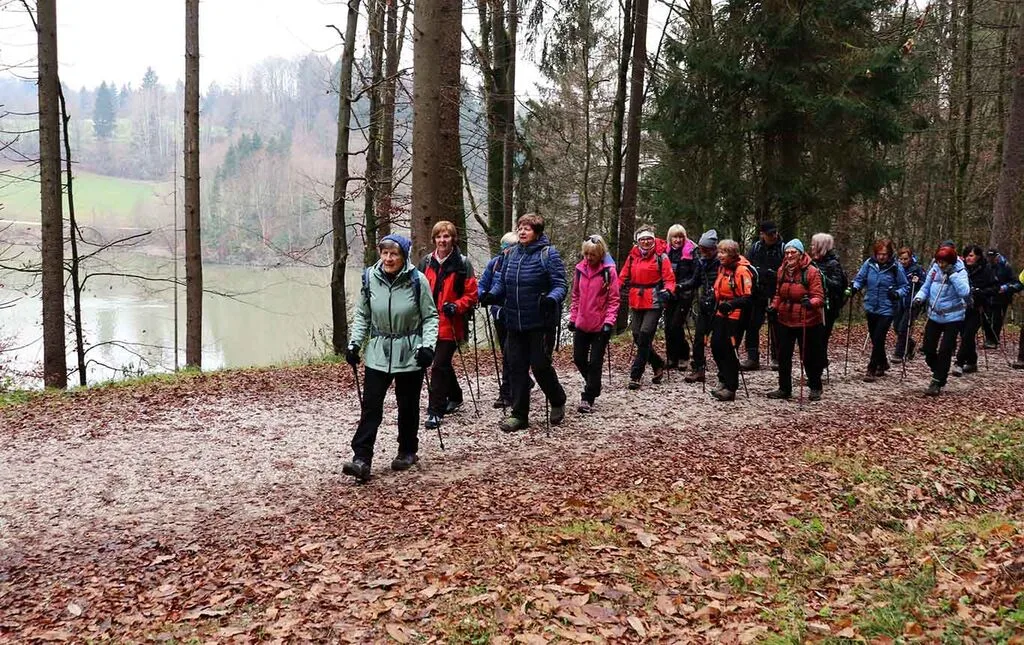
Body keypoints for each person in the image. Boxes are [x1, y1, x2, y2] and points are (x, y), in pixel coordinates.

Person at [342, 234, 439, 481]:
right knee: (371, 406)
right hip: (378, 351)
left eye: (394, 254)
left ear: (403, 256)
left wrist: (428, 347)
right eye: (384, 253)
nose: (388, 258)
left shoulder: (417, 280)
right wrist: (354, 344)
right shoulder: (370, 278)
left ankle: (407, 450)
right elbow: (363, 315)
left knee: (408, 405)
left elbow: (430, 317)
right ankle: (361, 458)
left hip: (410, 351)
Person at [480, 213, 568, 432]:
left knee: (540, 366)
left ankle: (557, 399)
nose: (522, 231)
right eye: (520, 228)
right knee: (516, 366)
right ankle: (519, 415)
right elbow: (502, 283)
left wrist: (551, 299)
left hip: (539, 322)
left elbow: (560, 284)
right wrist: (491, 295)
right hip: (514, 321)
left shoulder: (548, 254)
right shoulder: (511, 254)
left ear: (536, 232)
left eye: (527, 228)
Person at [417, 221, 478, 430]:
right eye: (439, 236)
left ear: (453, 239)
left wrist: (457, 306)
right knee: (441, 363)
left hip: (451, 322)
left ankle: (435, 410)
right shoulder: (426, 262)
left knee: (439, 365)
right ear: (434, 239)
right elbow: (416, 289)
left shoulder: (462, 264)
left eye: (446, 236)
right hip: (428, 321)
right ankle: (455, 395)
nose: (442, 240)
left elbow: (472, 294)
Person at [767, 239, 826, 401]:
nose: (789, 255)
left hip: (808, 320)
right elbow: (778, 294)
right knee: (783, 356)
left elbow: (819, 297)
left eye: (793, 252)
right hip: (785, 318)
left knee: (809, 357)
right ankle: (784, 388)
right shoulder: (782, 270)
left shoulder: (812, 271)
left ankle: (815, 387)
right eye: (787, 252)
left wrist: (810, 303)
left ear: (800, 254)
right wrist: (773, 306)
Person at [568, 234, 621, 412]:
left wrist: (609, 322)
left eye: (593, 255)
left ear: (600, 255)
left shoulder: (609, 272)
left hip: (600, 325)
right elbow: (575, 296)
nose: (589, 258)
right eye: (586, 254)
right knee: (579, 359)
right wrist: (573, 318)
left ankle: (588, 397)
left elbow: (614, 299)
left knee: (596, 362)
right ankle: (595, 384)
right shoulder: (579, 269)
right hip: (582, 323)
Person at [845, 239, 909, 382]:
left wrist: (896, 294)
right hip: (871, 306)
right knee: (875, 338)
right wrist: (854, 288)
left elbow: (905, 286)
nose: (881, 257)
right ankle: (883, 362)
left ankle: (871, 368)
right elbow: (860, 279)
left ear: (889, 254)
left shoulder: (895, 267)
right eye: (879, 254)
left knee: (879, 337)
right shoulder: (869, 264)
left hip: (887, 308)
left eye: (884, 254)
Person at [620, 228, 676, 389]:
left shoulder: (661, 256)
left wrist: (668, 291)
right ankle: (657, 362)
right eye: (642, 239)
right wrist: (614, 289)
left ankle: (636, 375)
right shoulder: (632, 256)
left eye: (648, 239)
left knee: (645, 333)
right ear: (638, 241)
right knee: (637, 334)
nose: (645, 242)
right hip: (636, 299)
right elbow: (623, 276)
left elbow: (669, 278)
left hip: (654, 299)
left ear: (653, 240)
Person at [912, 244, 971, 396]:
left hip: (953, 317)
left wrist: (952, 275)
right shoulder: (934, 269)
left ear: (950, 261)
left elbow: (965, 291)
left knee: (945, 350)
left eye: (943, 262)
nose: (940, 264)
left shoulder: (960, 271)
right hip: (934, 315)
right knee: (928, 348)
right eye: (938, 261)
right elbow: (926, 287)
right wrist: (918, 298)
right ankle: (939, 370)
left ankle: (937, 381)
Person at [477, 232, 518, 408]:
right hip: (499, 314)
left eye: (511, 247)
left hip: (515, 314)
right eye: (505, 247)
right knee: (506, 353)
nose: (507, 250)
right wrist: (483, 295)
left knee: (510, 354)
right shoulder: (495, 264)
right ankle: (520, 383)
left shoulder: (518, 265)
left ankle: (507, 392)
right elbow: (482, 284)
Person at [710, 239, 754, 401]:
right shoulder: (722, 268)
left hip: (737, 315)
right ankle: (723, 378)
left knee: (729, 350)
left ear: (733, 254)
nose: (720, 255)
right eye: (719, 252)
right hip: (721, 311)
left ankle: (730, 387)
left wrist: (731, 304)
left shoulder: (742, 271)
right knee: (716, 345)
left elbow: (748, 299)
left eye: (724, 253)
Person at [742, 221, 784, 371]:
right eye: (770, 234)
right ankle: (752, 357)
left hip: (776, 291)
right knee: (752, 324)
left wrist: (774, 274)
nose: (773, 236)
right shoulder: (755, 248)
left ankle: (777, 357)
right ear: (762, 234)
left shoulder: (783, 248)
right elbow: (747, 266)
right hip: (757, 291)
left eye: (775, 232)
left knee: (776, 325)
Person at [952, 245, 1000, 377]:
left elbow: (995, 287)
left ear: (978, 256)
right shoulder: (961, 269)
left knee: (968, 334)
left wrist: (981, 292)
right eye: (966, 256)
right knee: (965, 335)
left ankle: (959, 363)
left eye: (971, 255)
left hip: (979, 308)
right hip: (962, 307)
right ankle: (972, 361)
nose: (968, 258)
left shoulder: (986, 269)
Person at [680, 229, 720, 384]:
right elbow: (695, 281)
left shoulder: (722, 262)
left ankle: (725, 370)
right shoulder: (701, 262)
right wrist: (679, 287)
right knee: (698, 339)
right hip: (705, 305)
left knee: (719, 341)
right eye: (702, 249)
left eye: (707, 249)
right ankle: (698, 368)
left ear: (714, 248)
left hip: (720, 307)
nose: (704, 252)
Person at [665, 224, 697, 370]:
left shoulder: (691, 251)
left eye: (680, 237)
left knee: (676, 325)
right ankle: (672, 357)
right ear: (670, 238)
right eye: (675, 237)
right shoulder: (665, 252)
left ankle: (683, 355)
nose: (678, 240)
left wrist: (682, 286)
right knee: (668, 326)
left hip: (685, 294)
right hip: (669, 293)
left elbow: (695, 276)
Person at [809, 233, 847, 354]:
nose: (811, 247)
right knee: (814, 338)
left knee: (822, 338)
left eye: (814, 245)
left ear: (821, 246)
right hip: (813, 305)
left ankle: (821, 360)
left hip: (828, 307)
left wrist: (821, 277)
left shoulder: (833, 264)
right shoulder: (812, 262)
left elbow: (837, 285)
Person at [892, 246, 925, 363]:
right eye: (901, 259)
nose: (903, 261)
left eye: (905, 259)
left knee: (904, 327)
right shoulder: (896, 268)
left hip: (912, 302)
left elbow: (925, 285)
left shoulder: (917, 269)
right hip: (899, 301)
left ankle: (899, 353)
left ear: (910, 258)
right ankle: (910, 344)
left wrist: (918, 281)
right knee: (896, 326)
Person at [985, 248, 1021, 347]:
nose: (990, 259)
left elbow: (1014, 281)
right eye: (989, 257)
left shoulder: (1005, 266)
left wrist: (1005, 288)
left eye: (992, 257)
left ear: (997, 256)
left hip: (1001, 298)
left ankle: (994, 340)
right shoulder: (986, 266)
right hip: (988, 296)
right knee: (986, 319)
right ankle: (989, 338)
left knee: (997, 320)